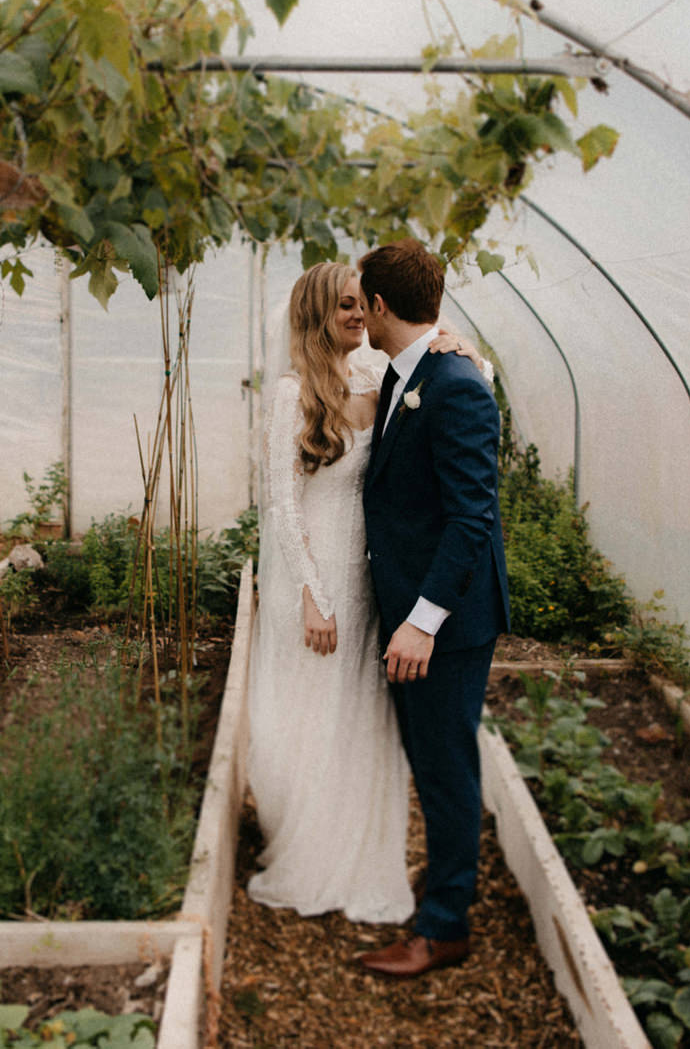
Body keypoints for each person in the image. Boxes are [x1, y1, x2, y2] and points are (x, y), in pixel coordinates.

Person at [246, 261, 486, 924]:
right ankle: (316, 850)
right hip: (319, 569)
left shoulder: (380, 377)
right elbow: (282, 503)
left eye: (362, 305)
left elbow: (465, 387)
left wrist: (457, 340)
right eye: (345, 305)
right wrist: (311, 593)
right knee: (317, 711)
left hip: (374, 575)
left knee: (363, 716)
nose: (359, 315)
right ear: (316, 312)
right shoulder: (292, 394)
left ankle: (363, 853)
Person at [354, 238, 509, 979]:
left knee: (447, 769)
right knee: (431, 762)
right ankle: (442, 889)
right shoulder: (407, 376)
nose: (361, 316)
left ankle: (445, 926)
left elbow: (472, 518)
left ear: (380, 305)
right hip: (410, 614)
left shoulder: (454, 385)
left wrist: (422, 620)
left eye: (363, 304)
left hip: (444, 627)